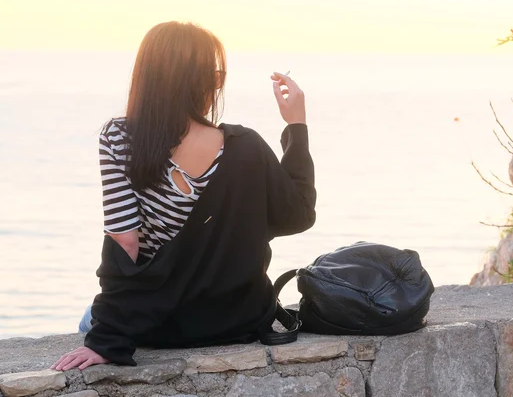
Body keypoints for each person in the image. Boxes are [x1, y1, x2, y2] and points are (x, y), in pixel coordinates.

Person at [51, 21, 316, 371]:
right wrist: (296, 125)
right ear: (207, 81)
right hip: (238, 321)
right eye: (217, 75)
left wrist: (107, 339)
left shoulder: (120, 138)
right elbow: (298, 215)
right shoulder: (246, 147)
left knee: (88, 319)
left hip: (157, 324)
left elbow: (125, 243)